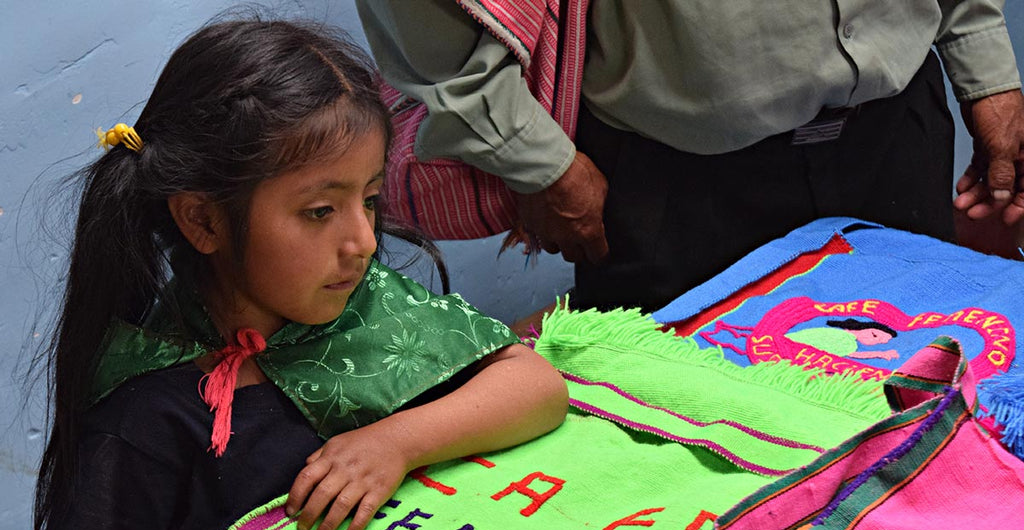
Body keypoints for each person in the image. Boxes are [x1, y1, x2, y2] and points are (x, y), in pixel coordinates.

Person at [20, 17, 568, 530]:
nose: (363, 241)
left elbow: (535, 385)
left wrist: (395, 442)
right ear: (204, 220)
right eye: (320, 211)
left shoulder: (365, 308)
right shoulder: (145, 419)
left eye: (368, 200)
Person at [355, 1, 1024, 313]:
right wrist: (531, 155)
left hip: (896, 127)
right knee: (690, 459)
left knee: (915, 419)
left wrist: (984, 59)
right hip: (671, 172)